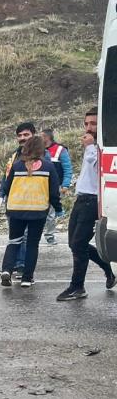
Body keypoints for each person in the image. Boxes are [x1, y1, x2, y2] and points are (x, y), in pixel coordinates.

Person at [56, 116, 117, 301]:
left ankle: (77, 286)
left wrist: (91, 147)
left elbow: (100, 169)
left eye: (93, 123)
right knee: (74, 244)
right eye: (86, 124)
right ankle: (108, 269)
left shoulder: (103, 146)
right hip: (81, 199)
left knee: (78, 244)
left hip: (92, 201)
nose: (89, 128)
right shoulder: (91, 147)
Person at [0, 135, 61, 288]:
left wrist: (1, 196)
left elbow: (7, 184)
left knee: (14, 241)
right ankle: (27, 278)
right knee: (32, 244)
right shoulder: (48, 167)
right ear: (41, 150)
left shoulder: (18, 165)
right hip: (37, 211)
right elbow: (54, 192)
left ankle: (6, 270)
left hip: (16, 209)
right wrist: (58, 209)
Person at [1, 122, 37, 278]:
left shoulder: (41, 155)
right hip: (14, 201)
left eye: (26, 134)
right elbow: (6, 176)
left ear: (33, 135)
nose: (22, 138)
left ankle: (23, 266)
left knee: (27, 236)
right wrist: (1, 194)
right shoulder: (14, 155)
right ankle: (16, 263)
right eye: (20, 135)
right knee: (16, 235)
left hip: (32, 201)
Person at [41, 129, 73, 245]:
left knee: (50, 214)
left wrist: (65, 185)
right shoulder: (38, 150)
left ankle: (49, 235)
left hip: (55, 187)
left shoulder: (61, 150)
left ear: (47, 137)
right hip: (39, 187)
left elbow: (68, 168)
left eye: (41, 136)